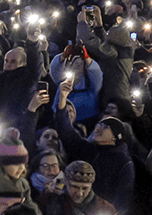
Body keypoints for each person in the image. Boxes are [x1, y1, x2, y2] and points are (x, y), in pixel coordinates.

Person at [56, 78, 134, 214]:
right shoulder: (87, 148)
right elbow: (65, 131)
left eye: (105, 127)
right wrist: (62, 97)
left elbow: (122, 198)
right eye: (99, 124)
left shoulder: (123, 162)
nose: (98, 127)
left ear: (114, 137)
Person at [37, 160, 117, 215]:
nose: (79, 193)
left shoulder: (106, 209)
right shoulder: (51, 201)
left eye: (85, 188)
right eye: (74, 187)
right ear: (66, 182)